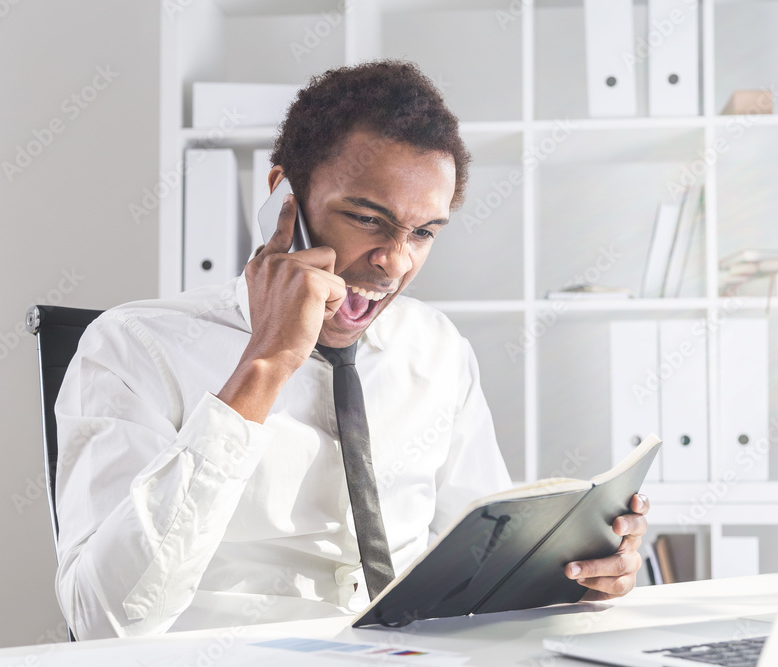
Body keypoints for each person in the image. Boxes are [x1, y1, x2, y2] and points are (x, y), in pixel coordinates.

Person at [54, 60, 650, 640]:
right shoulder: (132, 345)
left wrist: (570, 576)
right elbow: (105, 620)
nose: (395, 261)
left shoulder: (435, 347)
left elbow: (480, 557)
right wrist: (265, 365)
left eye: (422, 233)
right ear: (283, 196)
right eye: (368, 219)